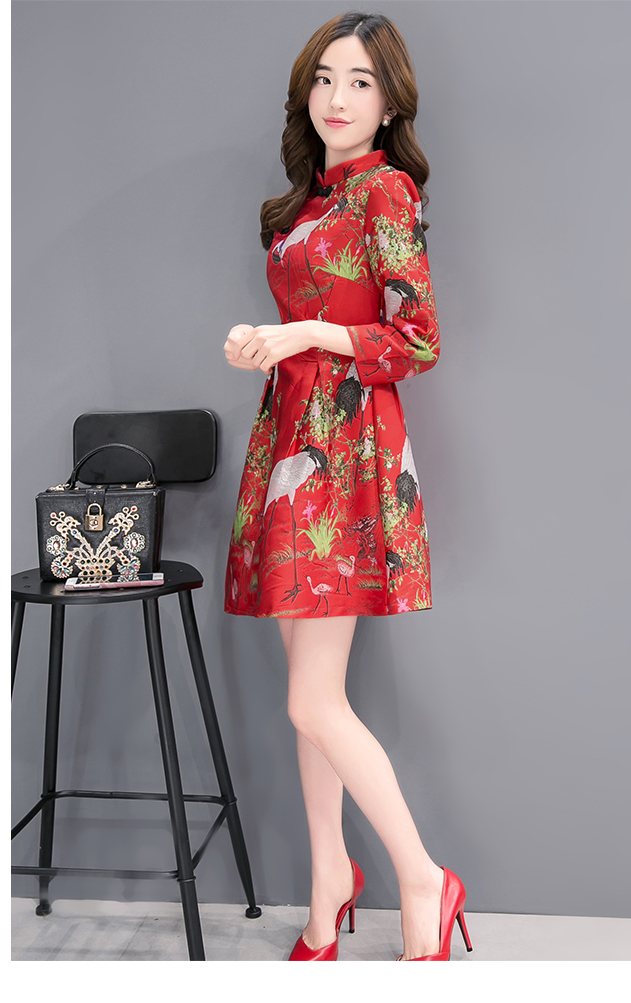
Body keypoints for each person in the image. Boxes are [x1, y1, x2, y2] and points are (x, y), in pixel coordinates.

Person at [222, 10, 471, 962]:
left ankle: (423, 875)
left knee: (311, 701)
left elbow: (418, 340)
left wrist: (306, 334)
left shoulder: (386, 191)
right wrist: (261, 340)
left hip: (346, 458)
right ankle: (330, 877)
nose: (338, 97)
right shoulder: (309, 202)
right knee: (307, 690)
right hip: (293, 438)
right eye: (325, 78)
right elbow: (309, 321)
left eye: (361, 82)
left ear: (389, 101)